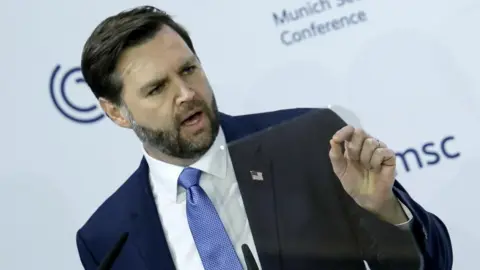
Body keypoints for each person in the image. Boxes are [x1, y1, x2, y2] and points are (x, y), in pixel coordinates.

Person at [76, 5, 453, 270]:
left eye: (189, 70)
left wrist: (384, 211)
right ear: (115, 111)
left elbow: (433, 262)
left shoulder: (309, 142)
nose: (186, 93)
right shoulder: (107, 239)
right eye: (157, 88)